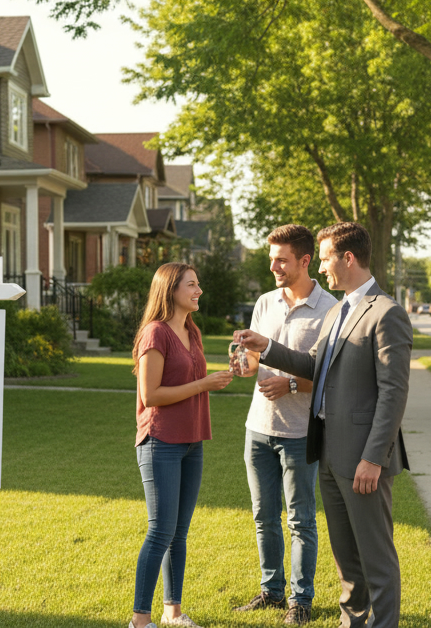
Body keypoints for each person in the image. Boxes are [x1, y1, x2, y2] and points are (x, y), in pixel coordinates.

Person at [235, 222, 412, 628]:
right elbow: (314, 363)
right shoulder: (339, 309)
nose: (325, 267)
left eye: (328, 257)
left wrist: (373, 458)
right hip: (328, 451)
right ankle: (352, 622)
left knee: (376, 556)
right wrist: (267, 348)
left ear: (348, 258)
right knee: (346, 557)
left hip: (363, 457)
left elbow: (393, 395)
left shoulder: (387, 313)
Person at [232, 225, 338, 625]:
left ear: (305, 260)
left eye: (281, 259)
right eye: (271, 258)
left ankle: (301, 600)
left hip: (299, 432)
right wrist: (245, 364)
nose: (273, 265)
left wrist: (291, 382)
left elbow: (330, 373)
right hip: (258, 427)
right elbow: (256, 363)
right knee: (263, 516)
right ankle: (271, 592)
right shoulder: (265, 302)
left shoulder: (329, 308)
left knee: (300, 519)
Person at [130, 262, 234, 628]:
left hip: (192, 441)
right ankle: (140, 621)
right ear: (171, 290)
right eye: (191, 284)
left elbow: (190, 377)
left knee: (179, 532)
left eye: (198, 283)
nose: (199, 290)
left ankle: (172, 612)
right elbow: (151, 394)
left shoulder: (192, 330)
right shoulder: (155, 334)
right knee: (160, 530)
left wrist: (222, 374)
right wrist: (205, 384)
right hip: (160, 441)